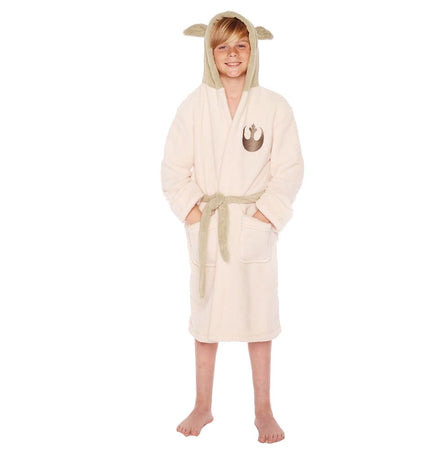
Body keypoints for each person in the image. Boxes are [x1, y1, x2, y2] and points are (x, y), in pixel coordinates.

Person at [160, 11, 304, 444]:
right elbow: (173, 169)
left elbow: (290, 169)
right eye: (223, 46)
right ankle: (203, 404)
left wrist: (265, 216)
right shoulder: (194, 105)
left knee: (259, 319)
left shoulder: (274, 106)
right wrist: (194, 215)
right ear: (209, 52)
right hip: (210, 225)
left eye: (241, 45)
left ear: (254, 50)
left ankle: (263, 409)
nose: (233, 54)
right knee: (206, 320)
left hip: (252, 225)